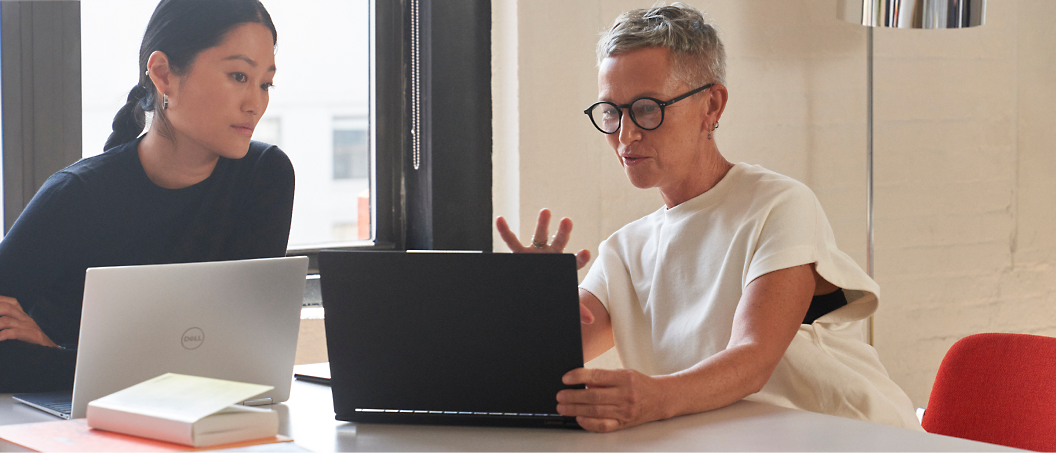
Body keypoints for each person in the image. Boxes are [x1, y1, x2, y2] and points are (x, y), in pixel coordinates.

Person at [496, 3, 921, 433]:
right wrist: (535, 297)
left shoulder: (778, 205)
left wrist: (651, 398)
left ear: (711, 106)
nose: (625, 135)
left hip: (853, 436)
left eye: (646, 108)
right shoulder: (623, 251)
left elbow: (753, 358)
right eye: (611, 112)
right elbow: (551, 361)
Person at [0, 0, 294, 392]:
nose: (256, 103)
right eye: (238, 76)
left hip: (205, 419)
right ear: (163, 75)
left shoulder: (265, 178)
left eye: (265, 83)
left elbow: (238, 356)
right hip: (69, 428)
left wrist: (61, 356)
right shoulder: (76, 196)